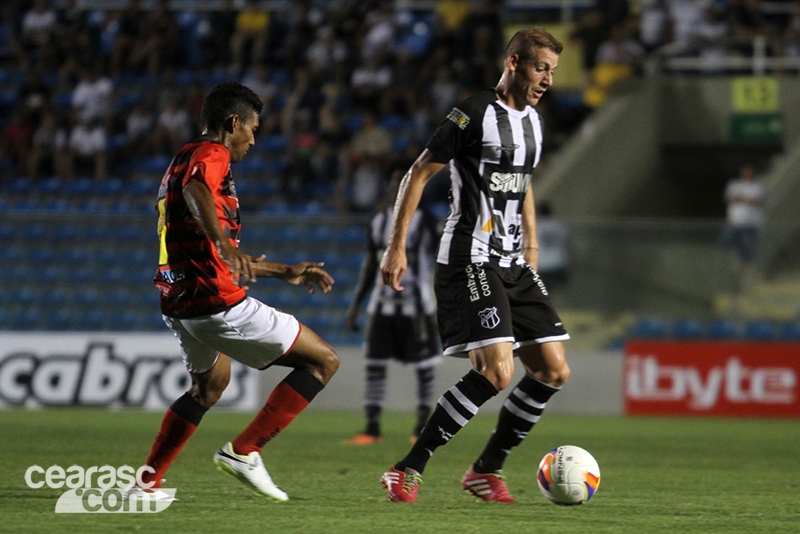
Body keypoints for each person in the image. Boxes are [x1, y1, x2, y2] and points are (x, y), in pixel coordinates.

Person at [379, 27, 570, 503]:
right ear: (514, 63)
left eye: (552, 71)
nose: (547, 79)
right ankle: (407, 468)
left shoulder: (535, 123)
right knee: (496, 372)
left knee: (552, 370)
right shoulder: (476, 112)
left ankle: (485, 470)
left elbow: (522, 183)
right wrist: (396, 245)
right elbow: (420, 170)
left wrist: (533, 246)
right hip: (471, 255)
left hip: (513, 261)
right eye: (541, 67)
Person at [126, 82, 339, 503]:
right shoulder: (212, 154)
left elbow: (209, 244)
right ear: (232, 123)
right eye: (252, 130)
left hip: (178, 299)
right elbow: (197, 193)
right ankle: (245, 452)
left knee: (208, 388)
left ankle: (145, 485)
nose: (253, 141)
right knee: (323, 362)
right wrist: (225, 243)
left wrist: (281, 270)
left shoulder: (179, 159)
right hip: (215, 302)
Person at [344, 172, 441, 445]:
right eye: (393, 186)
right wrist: (355, 306)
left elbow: (440, 261)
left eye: (403, 187)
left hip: (417, 305)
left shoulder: (427, 221)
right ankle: (371, 428)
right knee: (374, 365)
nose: (396, 192)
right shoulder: (378, 222)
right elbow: (370, 265)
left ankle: (422, 426)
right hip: (382, 304)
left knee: (425, 367)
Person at [720, 162, 765, 290]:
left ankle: (741, 279)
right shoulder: (734, 184)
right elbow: (729, 199)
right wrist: (745, 199)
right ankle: (733, 273)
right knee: (724, 246)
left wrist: (740, 198)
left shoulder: (757, 186)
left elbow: (756, 201)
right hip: (734, 223)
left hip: (750, 224)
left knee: (747, 253)